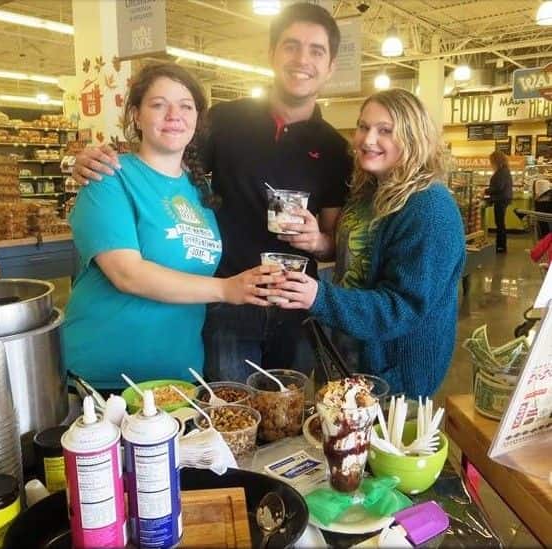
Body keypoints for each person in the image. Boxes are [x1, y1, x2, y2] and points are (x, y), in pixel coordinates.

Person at [71, 3, 353, 384]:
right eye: (291, 45)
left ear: (332, 66)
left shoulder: (336, 148)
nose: (302, 59)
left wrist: (317, 239)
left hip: (294, 304)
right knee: (227, 418)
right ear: (272, 54)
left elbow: (334, 242)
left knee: (288, 418)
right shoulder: (224, 121)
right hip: (224, 305)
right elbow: (167, 161)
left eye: (316, 50)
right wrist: (98, 160)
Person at [62, 63, 282, 390]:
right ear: (135, 115)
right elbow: (126, 273)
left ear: (197, 119)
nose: (173, 114)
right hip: (104, 377)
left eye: (185, 105)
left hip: (178, 377)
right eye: (158, 104)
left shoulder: (199, 190)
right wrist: (226, 289)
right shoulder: (108, 178)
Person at [272, 89, 466, 398]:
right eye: (363, 127)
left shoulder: (429, 208)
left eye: (385, 130)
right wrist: (320, 241)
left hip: (390, 374)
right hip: (343, 351)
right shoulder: (369, 191)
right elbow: (360, 257)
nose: (368, 139)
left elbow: (402, 307)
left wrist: (319, 297)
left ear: (413, 138)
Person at [485, 150, 513, 253]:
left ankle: (501, 247)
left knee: (500, 224)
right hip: (503, 199)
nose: (490, 163)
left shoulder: (501, 172)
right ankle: (501, 246)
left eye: (491, 160)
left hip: (501, 200)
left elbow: (498, 187)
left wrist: (486, 191)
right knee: (500, 223)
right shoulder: (505, 170)